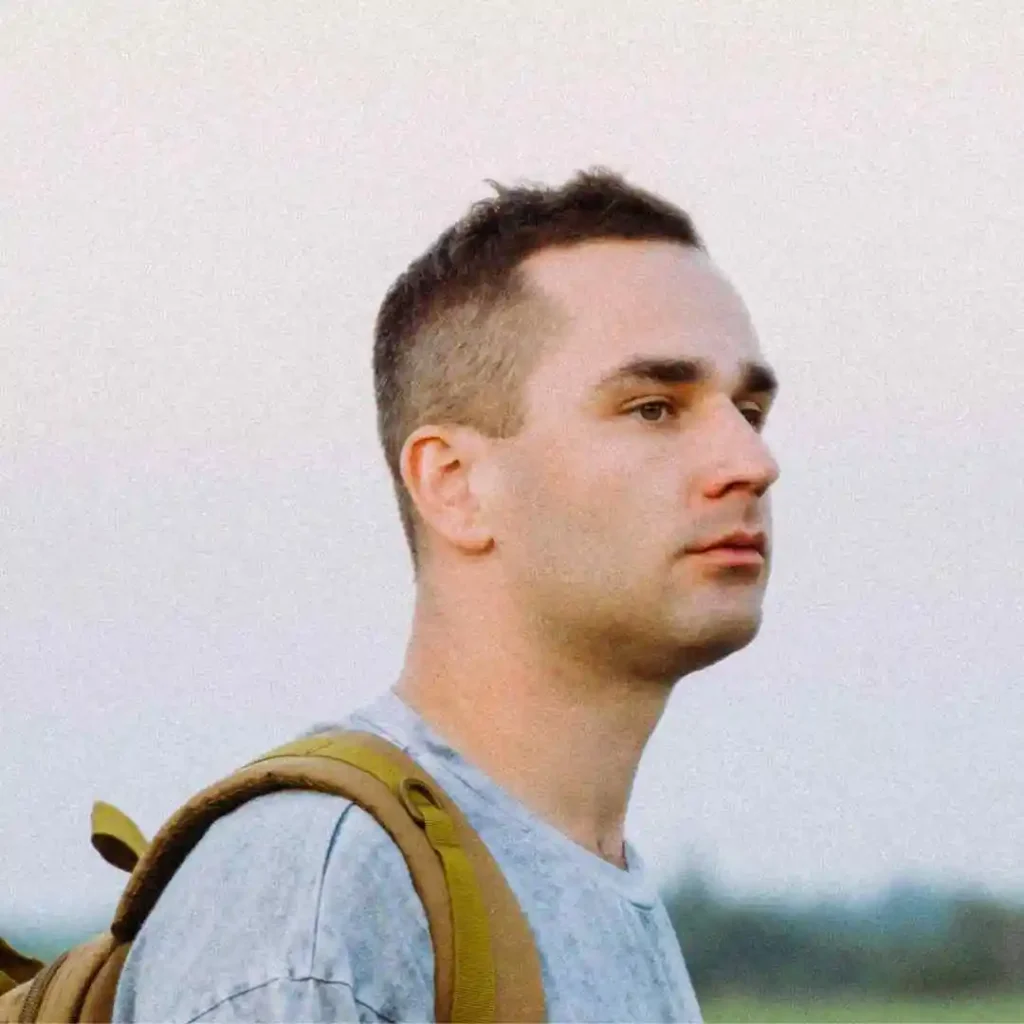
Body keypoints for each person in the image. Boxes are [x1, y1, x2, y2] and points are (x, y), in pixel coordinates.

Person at [112, 169, 780, 1023]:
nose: (751, 463)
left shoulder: (598, 885)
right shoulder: (327, 890)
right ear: (456, 485)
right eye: (654, 408)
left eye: (749, 410)